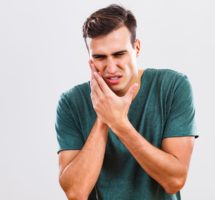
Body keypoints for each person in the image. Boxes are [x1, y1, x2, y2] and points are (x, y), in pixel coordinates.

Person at [55, 4, 198, 200]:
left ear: (136, 48)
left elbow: (174, 180)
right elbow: (76, 192)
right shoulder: (71, 102)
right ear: (90, 59)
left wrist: (119, 123)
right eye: (99, 57)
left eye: (119, 54)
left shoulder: (172, 86)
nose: (111, 68)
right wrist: (103, 117)